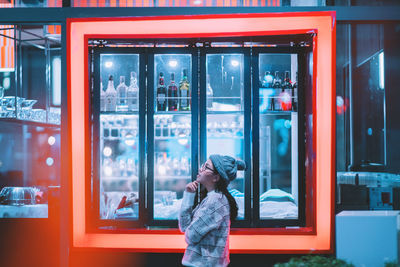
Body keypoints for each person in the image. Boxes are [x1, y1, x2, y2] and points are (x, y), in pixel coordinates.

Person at [178, 154, 246, 267]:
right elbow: (184, 227)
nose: (201, 169)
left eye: (206, 167)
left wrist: (189, 230)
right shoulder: (212, 198)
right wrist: (189, 195)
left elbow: (190, 236)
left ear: (216, 177)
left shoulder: (215, 201)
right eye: (203, 165)